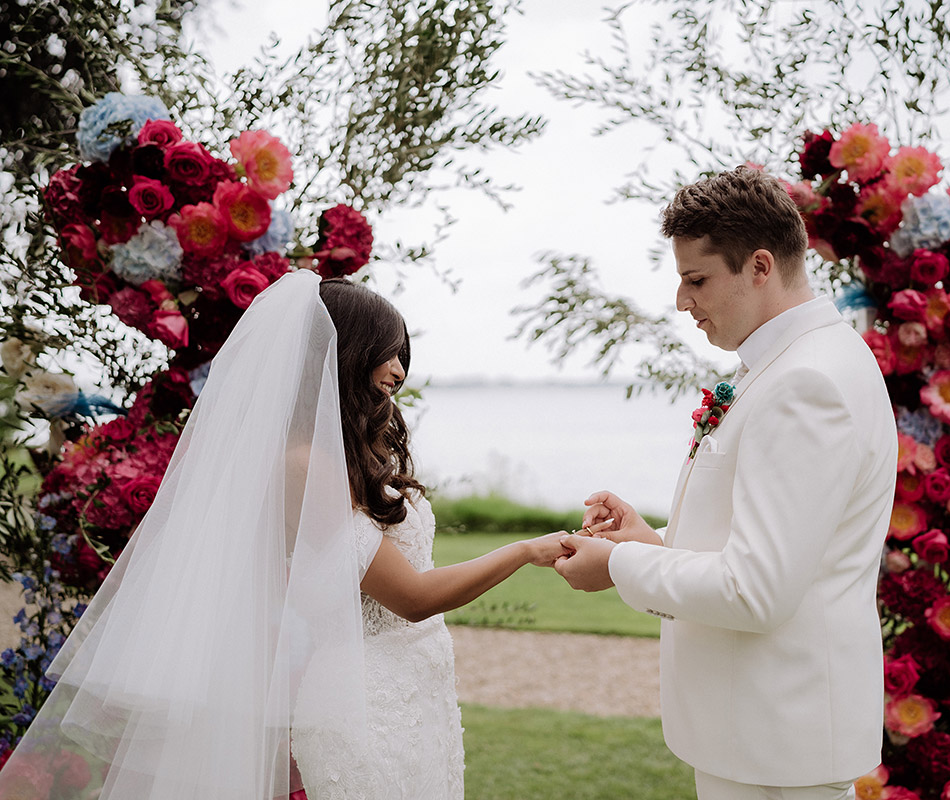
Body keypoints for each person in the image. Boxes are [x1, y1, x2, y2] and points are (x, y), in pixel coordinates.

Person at [0, 270, 566, 800]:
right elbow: (411, 598)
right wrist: (523, 550)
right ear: (344, 353)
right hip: (366, 699)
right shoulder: (305, 463)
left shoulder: (342, 454)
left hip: (419, 687)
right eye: (389, 351)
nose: (399, 368)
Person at [555, 167, 898, 800]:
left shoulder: (806, 384)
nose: (682, 302)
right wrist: (656, 543)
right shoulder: (797, 365)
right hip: (758, 738)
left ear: (760, 266)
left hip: (776, 744)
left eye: (697, 279)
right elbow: (772, 550)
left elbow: (755, 591)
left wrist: (620, 564)